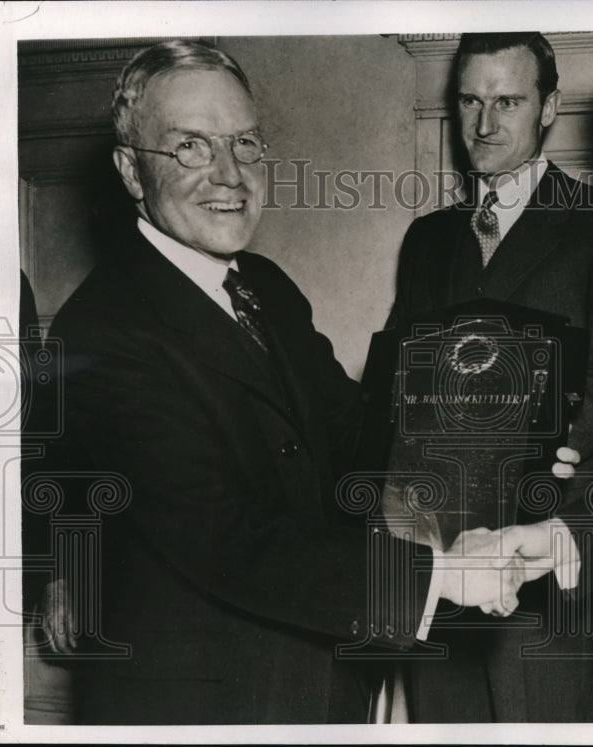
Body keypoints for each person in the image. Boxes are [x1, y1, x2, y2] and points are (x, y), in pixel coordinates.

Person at [35, 39, 545, 725]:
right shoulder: (101, 333)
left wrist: (511, 448)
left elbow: (355, 438)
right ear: (131, 170)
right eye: (190, 146)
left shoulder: (265, 289)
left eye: (245, 143)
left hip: (310, 690)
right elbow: (230, 542)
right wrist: (445, 574)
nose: (229, 173)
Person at [387, 32, 593, 722]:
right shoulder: (429, 240)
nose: (484, 124)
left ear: (550, 107)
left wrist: (544, 460)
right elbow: (398, 388)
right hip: (437, 558)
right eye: (470, 101)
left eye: (507, 101)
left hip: (536, 551)